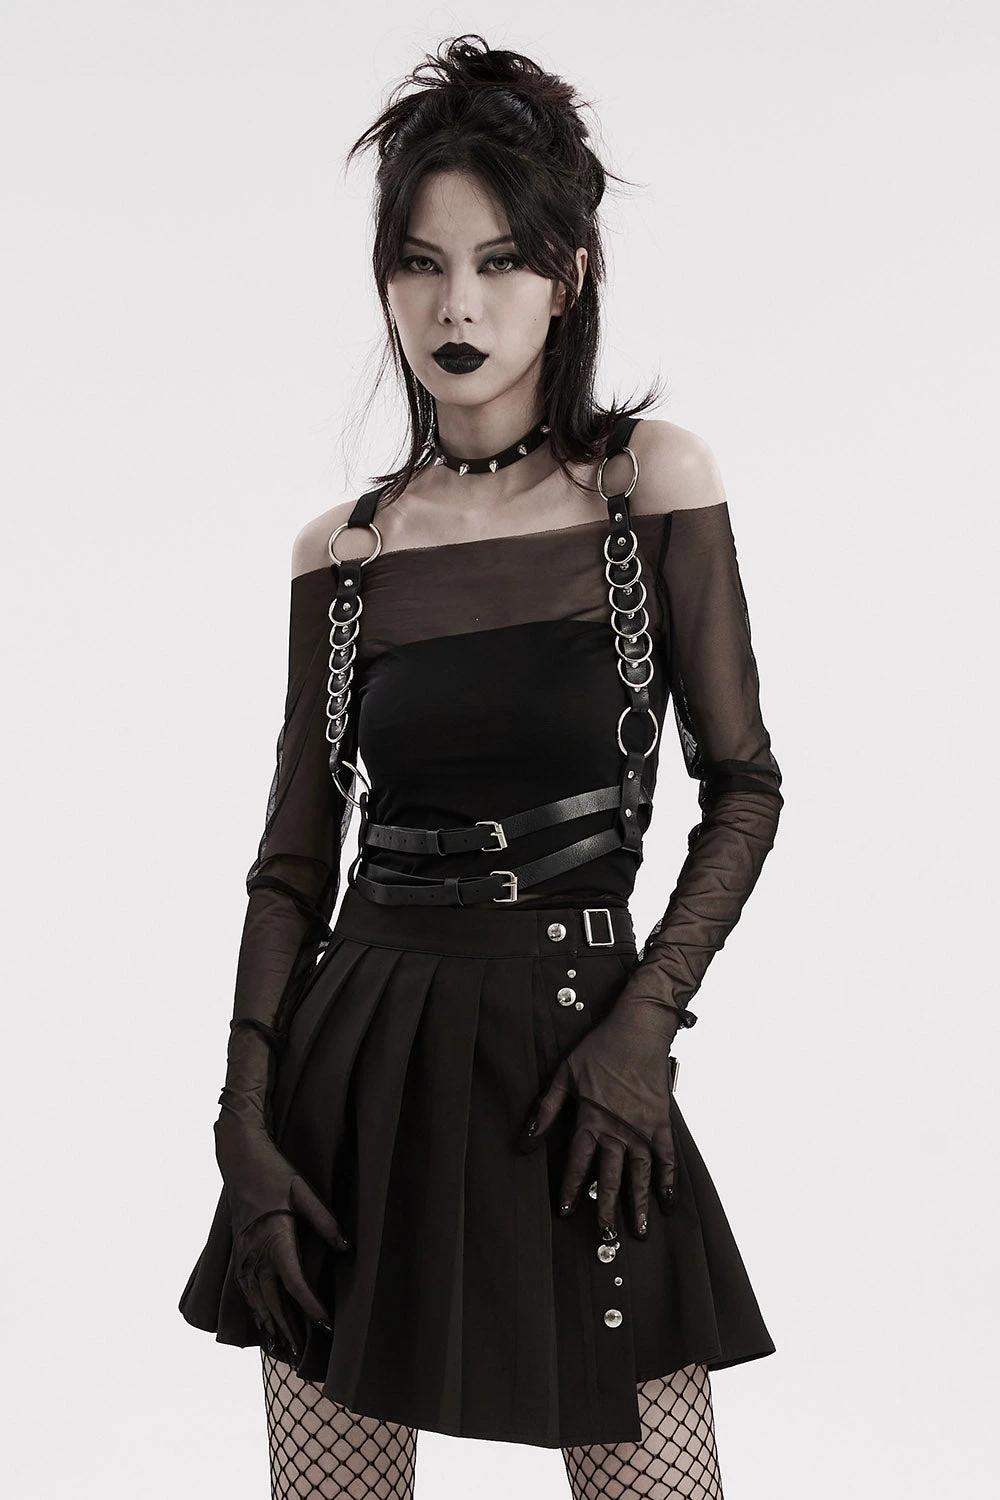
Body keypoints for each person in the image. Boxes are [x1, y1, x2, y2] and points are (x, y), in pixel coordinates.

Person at [178, 34, 785, 1500]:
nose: (457, 305)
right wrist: (242, 1117)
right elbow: (293, 862)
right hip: (353, 1070)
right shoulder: (347, 550)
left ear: (567, 276)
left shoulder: (650, 485)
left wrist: (645, 1028)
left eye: (500, 262)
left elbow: (744, 788)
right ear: (385, 281)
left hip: (582, 1068)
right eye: (421, 263)